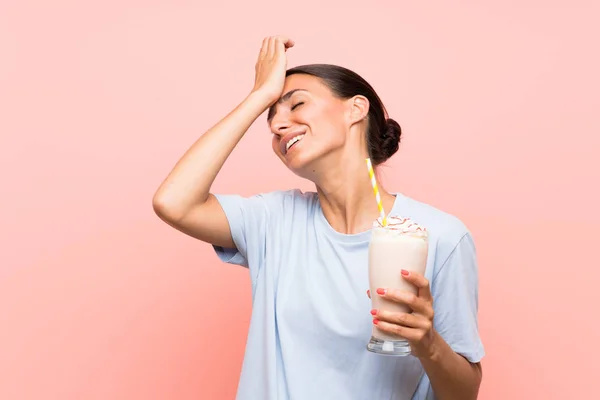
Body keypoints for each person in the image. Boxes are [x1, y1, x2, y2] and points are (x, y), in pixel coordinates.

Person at [152, 35, 484, 400]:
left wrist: (429, 344)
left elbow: (464, 393)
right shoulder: (274, 221)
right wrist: (258, 96)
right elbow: (173, 202)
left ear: (356, 109)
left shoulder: (439, 236)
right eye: (272, 118)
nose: (279, 125)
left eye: (296, 105)